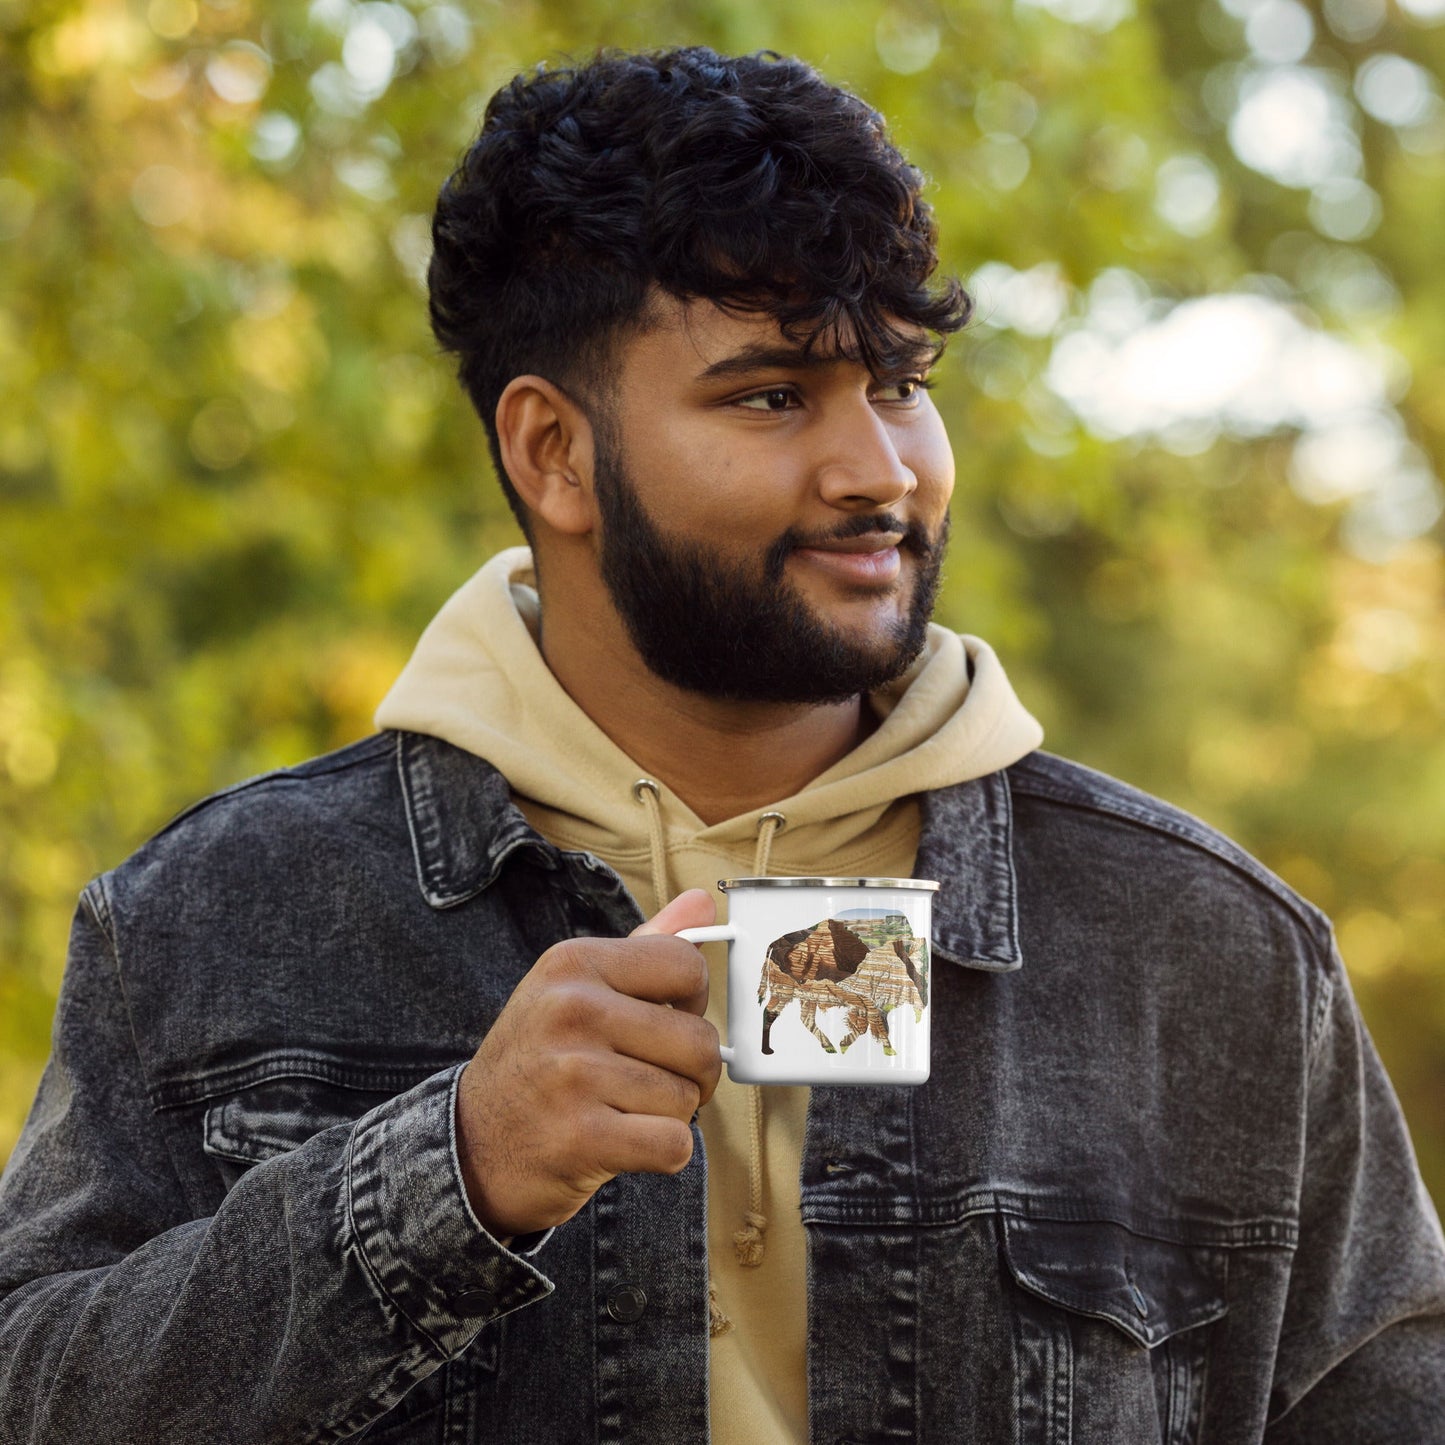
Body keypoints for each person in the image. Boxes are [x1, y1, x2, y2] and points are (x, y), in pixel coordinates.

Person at [1, 44, 1442, 1445]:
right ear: (551, 452)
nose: (877, 470)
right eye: (771, 394)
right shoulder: (208, 918)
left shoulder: (1209, 951)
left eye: (899, 381)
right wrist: (443, 1177)